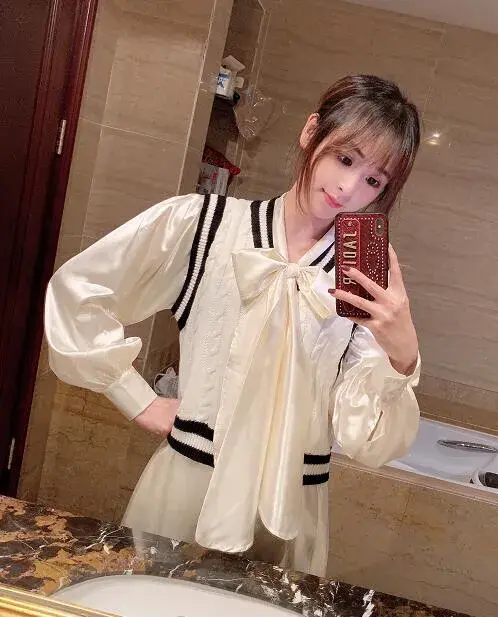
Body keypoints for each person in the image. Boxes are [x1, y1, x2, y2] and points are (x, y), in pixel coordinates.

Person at [45, 74, 422, 576]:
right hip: (189, 485)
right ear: (311, 132)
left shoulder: (364, 276)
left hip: (290, 508)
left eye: (374, 180)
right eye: (346, 158)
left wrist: (402, 356)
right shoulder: (204, 225)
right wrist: (137, 398)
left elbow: (365, 438)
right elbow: (78, 292)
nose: (349, 187)